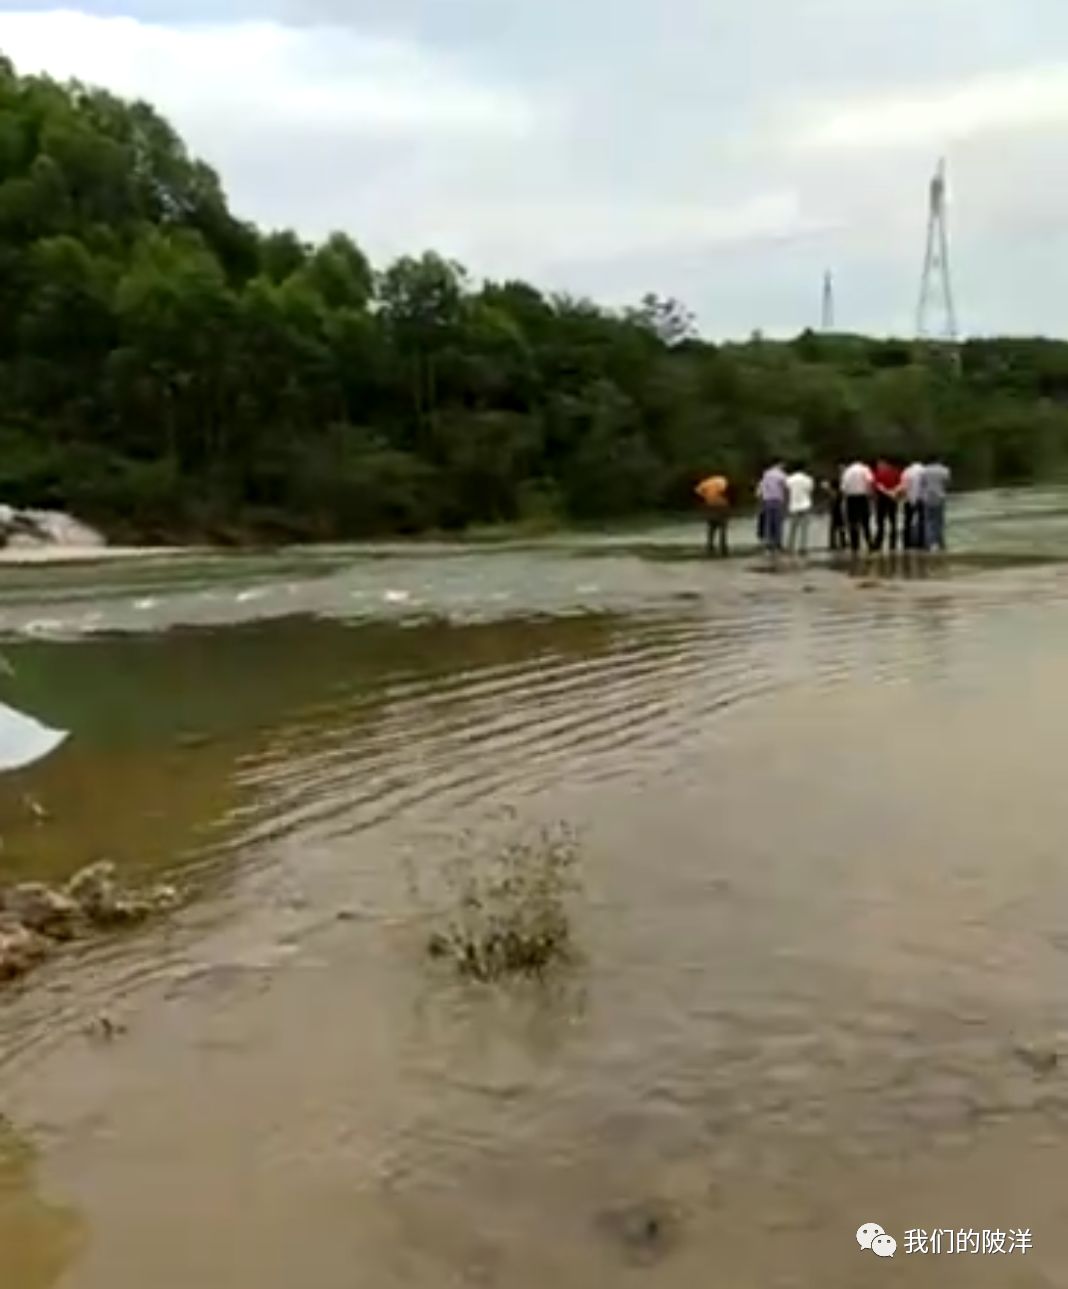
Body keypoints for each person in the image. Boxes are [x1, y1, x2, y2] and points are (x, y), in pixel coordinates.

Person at [840, 459, 874, 555]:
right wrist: (870, 494)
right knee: (865, 521)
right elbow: (870, 481)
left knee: (853, 522)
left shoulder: (847, 471)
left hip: (851, 498)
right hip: (862, 497)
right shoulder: (865, 469)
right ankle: (869, 542)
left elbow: (843, 488)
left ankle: (855, 545)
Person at [756, 461, 788, 553]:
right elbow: (786, 487)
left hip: (767, 500)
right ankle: (778, 543)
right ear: (779, 464)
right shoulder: (781, 475)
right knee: (778, 522)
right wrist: (786, 501)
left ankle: (768, 543)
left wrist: (761, 498)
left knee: (768, 522)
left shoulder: (766, 474)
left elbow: (761, 487)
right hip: (777, 500)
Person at [695, 473, 731, 557]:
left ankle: (710, 545)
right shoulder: (722, 480)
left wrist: (705, 496)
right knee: (723, 526)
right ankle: (723, 546)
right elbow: (723, 490)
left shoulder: (706, 483)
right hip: (721, 504)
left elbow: (697, 490)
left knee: (711, 526)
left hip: (709, 504)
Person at [872, 457, 903, 552]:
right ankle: (893, 543)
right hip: (893, 498)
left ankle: (879, 542)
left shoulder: (878, 473)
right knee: (893, 520)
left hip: (882, 499)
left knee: (880, 521)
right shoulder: (897, 472)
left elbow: (877, 485)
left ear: (885, 464)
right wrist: (893, 492)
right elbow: (901, 484)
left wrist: (887, 492)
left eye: (879, 464)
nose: (878, 466)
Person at [921, 458, 951, 551]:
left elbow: (923, 484)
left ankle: (930, 544)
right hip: (940, 497)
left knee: (929, 521)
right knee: (939, 521)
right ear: (939, 461)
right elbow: (947, 483)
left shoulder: (925, 470)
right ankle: (940, 543)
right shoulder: (944, 470)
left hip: (928, 498)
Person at [786, 462, 815, 556]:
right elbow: (810, 490)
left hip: (793, 505)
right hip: (805, 504)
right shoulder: (808, 479)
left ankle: (790, 546)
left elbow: (787, 489)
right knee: (804, 528)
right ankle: (803, 547)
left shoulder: (789, 479)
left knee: (793, 528)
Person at [901, 459, 926, 550]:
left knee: (907, 521)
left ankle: (906, 543)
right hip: (922, 500)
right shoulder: (924, 471)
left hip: (909, 499)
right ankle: (921, 542)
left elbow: (904, 487)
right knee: (922, 521)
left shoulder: (906, 471)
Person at [824, 465, 847, 551]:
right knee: (840, 527)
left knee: (834, 527)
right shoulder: (838, 491)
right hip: (838, 510)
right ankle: (841, 542)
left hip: (836, 511)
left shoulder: (834, 492)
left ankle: (833, 543)